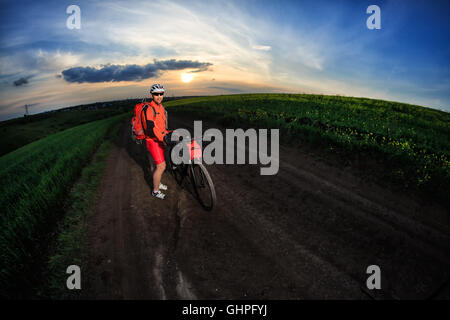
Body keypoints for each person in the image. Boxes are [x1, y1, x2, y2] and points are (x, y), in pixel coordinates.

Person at [144, 84, 171, 200]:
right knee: (161, 166)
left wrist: (169, 133)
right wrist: (162, 138)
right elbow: (150, 129)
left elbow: (162, 127)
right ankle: (155, 191)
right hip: (152, 141)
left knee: (153, 164)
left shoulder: (161, 107)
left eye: (161, 94)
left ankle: (157, 181)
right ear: (151, 95)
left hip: (159, 140)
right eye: (156, 94)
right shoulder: (149, 109)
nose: (159, 96)